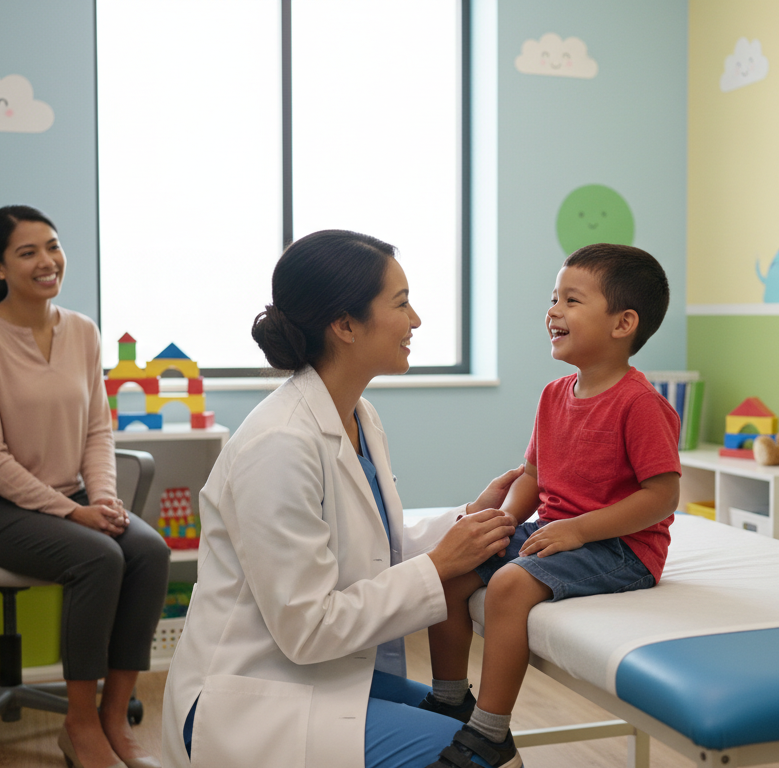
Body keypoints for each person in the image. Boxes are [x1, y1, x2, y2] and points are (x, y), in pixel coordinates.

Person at [159, 229, 523, 768]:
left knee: (478, 735)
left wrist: (466, 521)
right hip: (253, 696)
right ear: (345, 324)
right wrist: (441, 563)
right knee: (485, 758)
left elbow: (371, 547)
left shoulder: (357, 414)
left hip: (322, 677)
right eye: (401, 304)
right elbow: (307, 628)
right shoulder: (279, 444)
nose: (416, 320)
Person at [421, 243, 681, 768]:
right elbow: (534, 478)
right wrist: (506, 519)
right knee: (446, 574)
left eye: (571, 300)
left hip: (620, 548)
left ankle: (491, 732)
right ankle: (450, 701)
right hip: (557, 529)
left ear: (622, 323)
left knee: (511, 584)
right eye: (553, 297)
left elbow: (662, 496)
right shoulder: (552, 395)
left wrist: (580, 530)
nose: (553, 311)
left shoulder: (640, 404)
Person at [0, 206, 171, 768]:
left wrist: (101, 499)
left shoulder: (83, 331)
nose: (47, 261)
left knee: (148, 549)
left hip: (66, 498)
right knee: (98, 558)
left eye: (52, 246)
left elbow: (97, 429)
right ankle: (80, 723)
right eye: (27, 252)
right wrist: (73, 516)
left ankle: (115, 716)